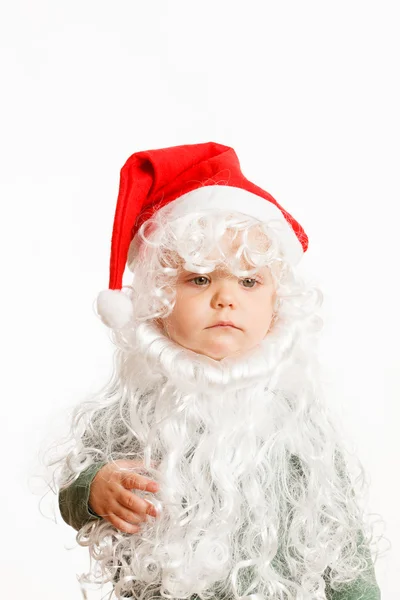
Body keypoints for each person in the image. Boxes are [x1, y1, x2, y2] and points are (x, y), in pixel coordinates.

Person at [55, 142, 381, 600]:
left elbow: (343, 539)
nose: (225, 298)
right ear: (159, 298)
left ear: (276, 304)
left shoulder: (293, 420)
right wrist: (95, 489)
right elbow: (74, 495)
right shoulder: (136, 410)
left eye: (248, 281)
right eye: (201, 278)